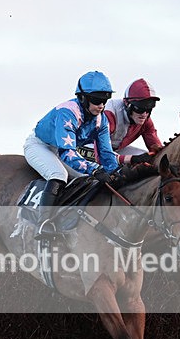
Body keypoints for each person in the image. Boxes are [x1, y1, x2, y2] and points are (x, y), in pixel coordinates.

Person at [24, 70, 121, 235]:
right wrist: (95, 169)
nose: (101, 105)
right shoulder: (68, 112)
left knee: (87, 180)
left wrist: (116, 173)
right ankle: (43, 223)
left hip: (59, 150)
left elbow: (106, 153)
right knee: (58, 174)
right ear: (82, 98)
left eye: (105, 100)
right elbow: (67, 153)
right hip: (40, 146)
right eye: (97, 100)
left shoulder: (102, 120)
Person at [103, 78, 164, 166]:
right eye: (140, 108)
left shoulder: (146, 120)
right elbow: (101, 152)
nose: (144, 114)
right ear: (126, 103)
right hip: (91, 148)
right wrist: (131, 159)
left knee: (150, 159)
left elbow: (157, 150)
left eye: (149, 108)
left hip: (116, 150)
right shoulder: (110, 114)